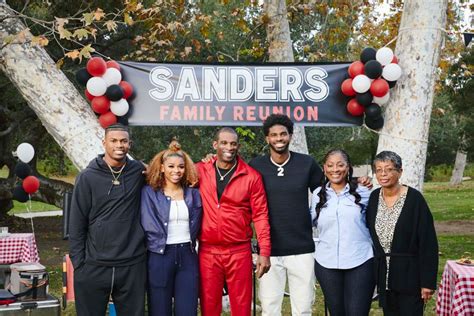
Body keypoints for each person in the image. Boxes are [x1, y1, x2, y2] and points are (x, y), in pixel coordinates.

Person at [248, 114, 323, 315]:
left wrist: (357, 183)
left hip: (302, 248)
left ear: (290, 135)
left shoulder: (306, 164)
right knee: (270, 308)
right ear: (267, 138)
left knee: (303, 308)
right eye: (273, 135)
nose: (279, 139)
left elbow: (330, 190)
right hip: (269, 250)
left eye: (283, 134)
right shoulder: (255, 166)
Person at [69, 123, 146, 316]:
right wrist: (79, 264)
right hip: (94, 265)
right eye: (113, 141)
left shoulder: (138, 172)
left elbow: (172, 171)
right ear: (104, 143)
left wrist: (209, 162)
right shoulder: (87, 177)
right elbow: (77, 222)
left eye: (123, 141)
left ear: (130, 144)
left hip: (132, 264)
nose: (119, 145)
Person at [196, 127, 271, 316]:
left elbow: (260, 215)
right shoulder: (200, 170)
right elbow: (172, 170)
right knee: (209, 306)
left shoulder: (251, 176)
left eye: (233, 143)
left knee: (241, 307)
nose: (229, 147)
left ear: (238, 146)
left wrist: (265, 252)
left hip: (238, 251)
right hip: (208, 250)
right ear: (215, 145)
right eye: (224, 143)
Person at [366, 151, 438, 315]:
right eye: (378, 170)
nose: (383, 174)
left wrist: (427, 282)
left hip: (410, 276)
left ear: (400, 172)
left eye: (389, 169)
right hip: (385, 276)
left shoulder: (414, 199)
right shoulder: (374, 198)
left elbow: (428, 243)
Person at [140, 140, 202, 316]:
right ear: (161, 168)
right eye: (171, 166)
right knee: (159, 309)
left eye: (181, 167)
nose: (176, 171)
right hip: (159, 255)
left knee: (187, 309)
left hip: (187, 255)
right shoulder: (149, 193)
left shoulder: (193, 193)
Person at [310, 149, 375, 316]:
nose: (335, 169)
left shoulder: (364, 191)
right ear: (324, 168)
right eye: (330, 165)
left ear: (348, 167)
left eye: (340, 165)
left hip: (360, 260)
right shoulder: (318, 194)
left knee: (357, 312)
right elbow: (308, 221)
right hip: (327, 263)